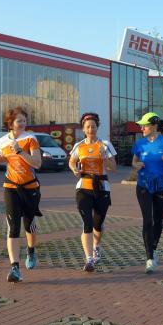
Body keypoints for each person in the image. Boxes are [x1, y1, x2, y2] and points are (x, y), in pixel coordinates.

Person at [131, 112, 163, 274]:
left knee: (158, 221)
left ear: (154, 126)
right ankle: (149, 259)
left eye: (144, 125)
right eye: (141, 126)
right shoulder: (140, 143)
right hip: (143, 186)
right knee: (148, 220)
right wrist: (136, 165)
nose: (142, 128)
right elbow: (134, 161)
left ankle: (153, 249)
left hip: (161, 186)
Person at [0, 106, 42, 283]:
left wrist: (20, 151)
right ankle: (14, 267)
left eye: (24, 120)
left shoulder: (30, 139)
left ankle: (31, 250)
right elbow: (2, 158)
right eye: (19, 120)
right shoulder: (2, 141)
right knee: (13, 226)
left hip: (30, 187)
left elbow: (37, 163)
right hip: (11, 186)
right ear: (10, 123)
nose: (22, 123)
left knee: (29, 224)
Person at [68, 112, 117, 272]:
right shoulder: (79, 146)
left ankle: (96, 246)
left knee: (98, 224)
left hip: (102, 187)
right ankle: (89, 259)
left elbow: (113, 168)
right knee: (87, 224)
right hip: (83, 188)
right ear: (83, 129)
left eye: (93, 126)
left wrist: (105, 158)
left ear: (97, 127)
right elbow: (71, 162)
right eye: (88, 127)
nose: (91, 129)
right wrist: (74, 169)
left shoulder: (105, 144)